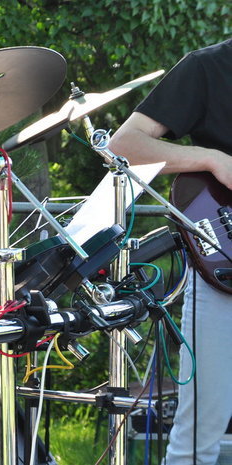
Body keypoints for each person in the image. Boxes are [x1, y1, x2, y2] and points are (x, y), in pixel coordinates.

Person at [109, 38, 232, 465]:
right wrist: (212, 158)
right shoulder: (208, 67)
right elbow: (125, 144)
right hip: (223, 270)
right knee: (197, 438)